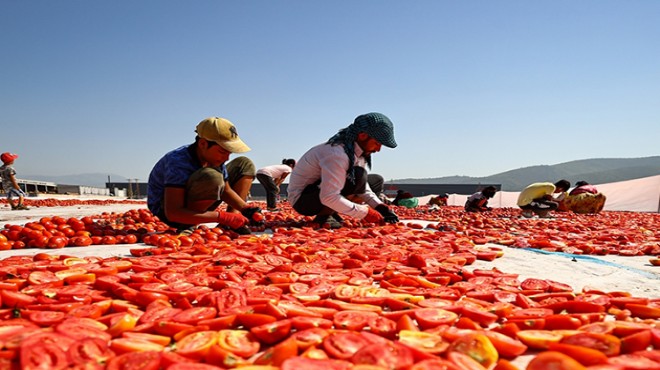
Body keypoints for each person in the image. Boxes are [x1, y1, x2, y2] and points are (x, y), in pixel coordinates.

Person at [147, 117, 263, 235]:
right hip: (168, 210)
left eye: (230, 153)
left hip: (196, 199)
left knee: (244, 164)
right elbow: (173, 212)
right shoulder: (178, 162)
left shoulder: (214, 160)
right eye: (223, 152)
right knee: (211, 176)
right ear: (203, 143)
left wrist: (246, 209)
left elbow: (226, 190)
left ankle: (233, 221)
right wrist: (222, 216)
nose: (227, 158)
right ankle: (188, 224)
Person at [287, 112, 400, 228]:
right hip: (304, 200)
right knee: (357, 175)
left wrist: (382, 208)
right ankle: (324, 216)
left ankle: (332, 211)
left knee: (375, 179)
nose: (378, 149)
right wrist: (365, 213)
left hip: (320, 191)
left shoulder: (357, 154)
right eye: (377, 143)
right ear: (362, 136)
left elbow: (363, 188)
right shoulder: (337, 154)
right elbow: (329, 196)